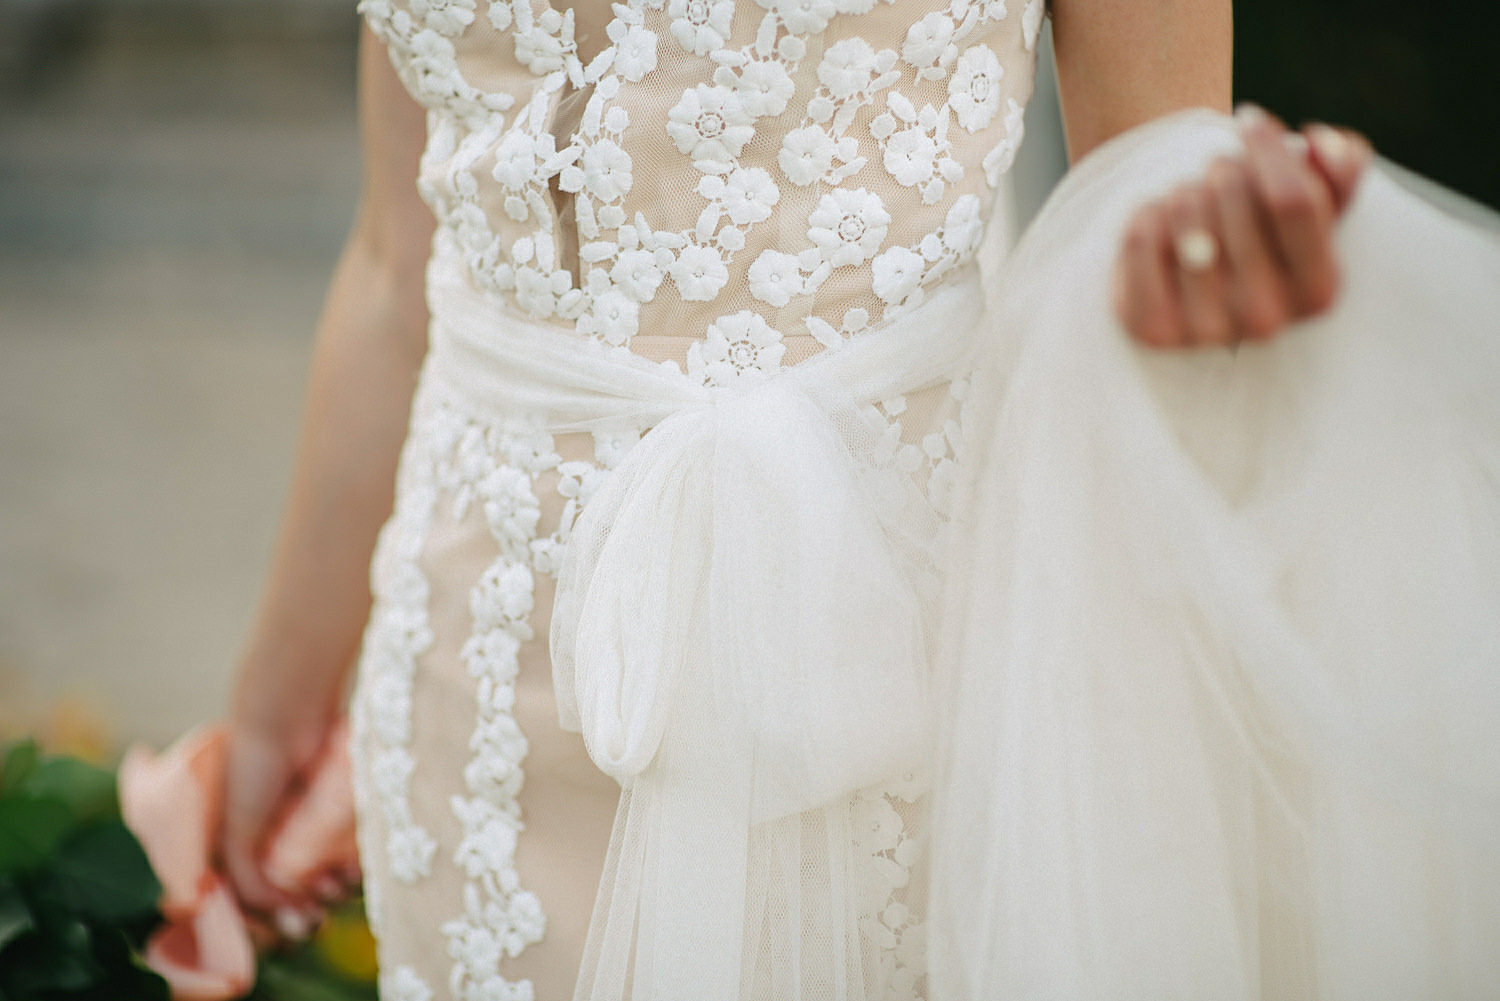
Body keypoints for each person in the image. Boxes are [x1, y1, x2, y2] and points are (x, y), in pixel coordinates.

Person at [217, 0, 1500, 997]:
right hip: (470, 689)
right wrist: (275, 708)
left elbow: (1146, 197)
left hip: (891, 674)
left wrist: (1211, 263)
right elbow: (400, 260)